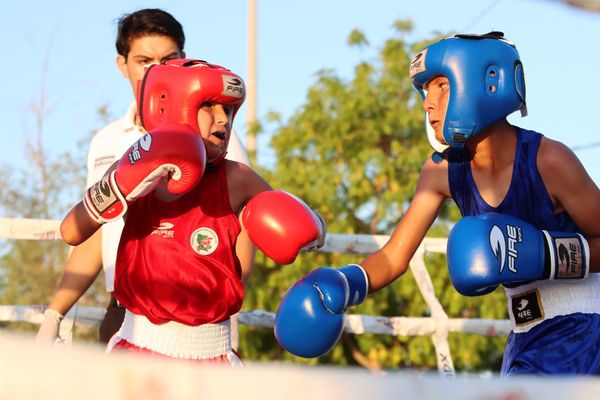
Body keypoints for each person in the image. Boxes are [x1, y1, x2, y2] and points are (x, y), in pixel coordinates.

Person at [274, 32, 600, 375]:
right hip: (525, 336)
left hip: (586, 330)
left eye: (441, 86)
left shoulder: (548, 160)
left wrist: (547, 255)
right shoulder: (441, 171)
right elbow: (392, 257)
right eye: (425, 90)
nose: (428, 102)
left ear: (487, 83)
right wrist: (344, 283)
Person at [59, 58, 326, 364]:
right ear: (171, 106)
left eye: (227, 109)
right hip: (139, 350)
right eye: (210, 106)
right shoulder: (139, 165)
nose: (223, 119)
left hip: (214, 356)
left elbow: (307, 232)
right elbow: (71, 231)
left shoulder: (237, 178)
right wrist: (121, 184)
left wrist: (312, 225)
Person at [36, 8, 252, 345]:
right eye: (144, 61)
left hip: (199, 319)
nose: (159, 70)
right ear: (123, 65)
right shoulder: (107, 140)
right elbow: (95, 225)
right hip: (124, 305)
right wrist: (55, 312)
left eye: (169, 59)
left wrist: (218, 313)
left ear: (185, 58)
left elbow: (244, 228)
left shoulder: (218, 135)